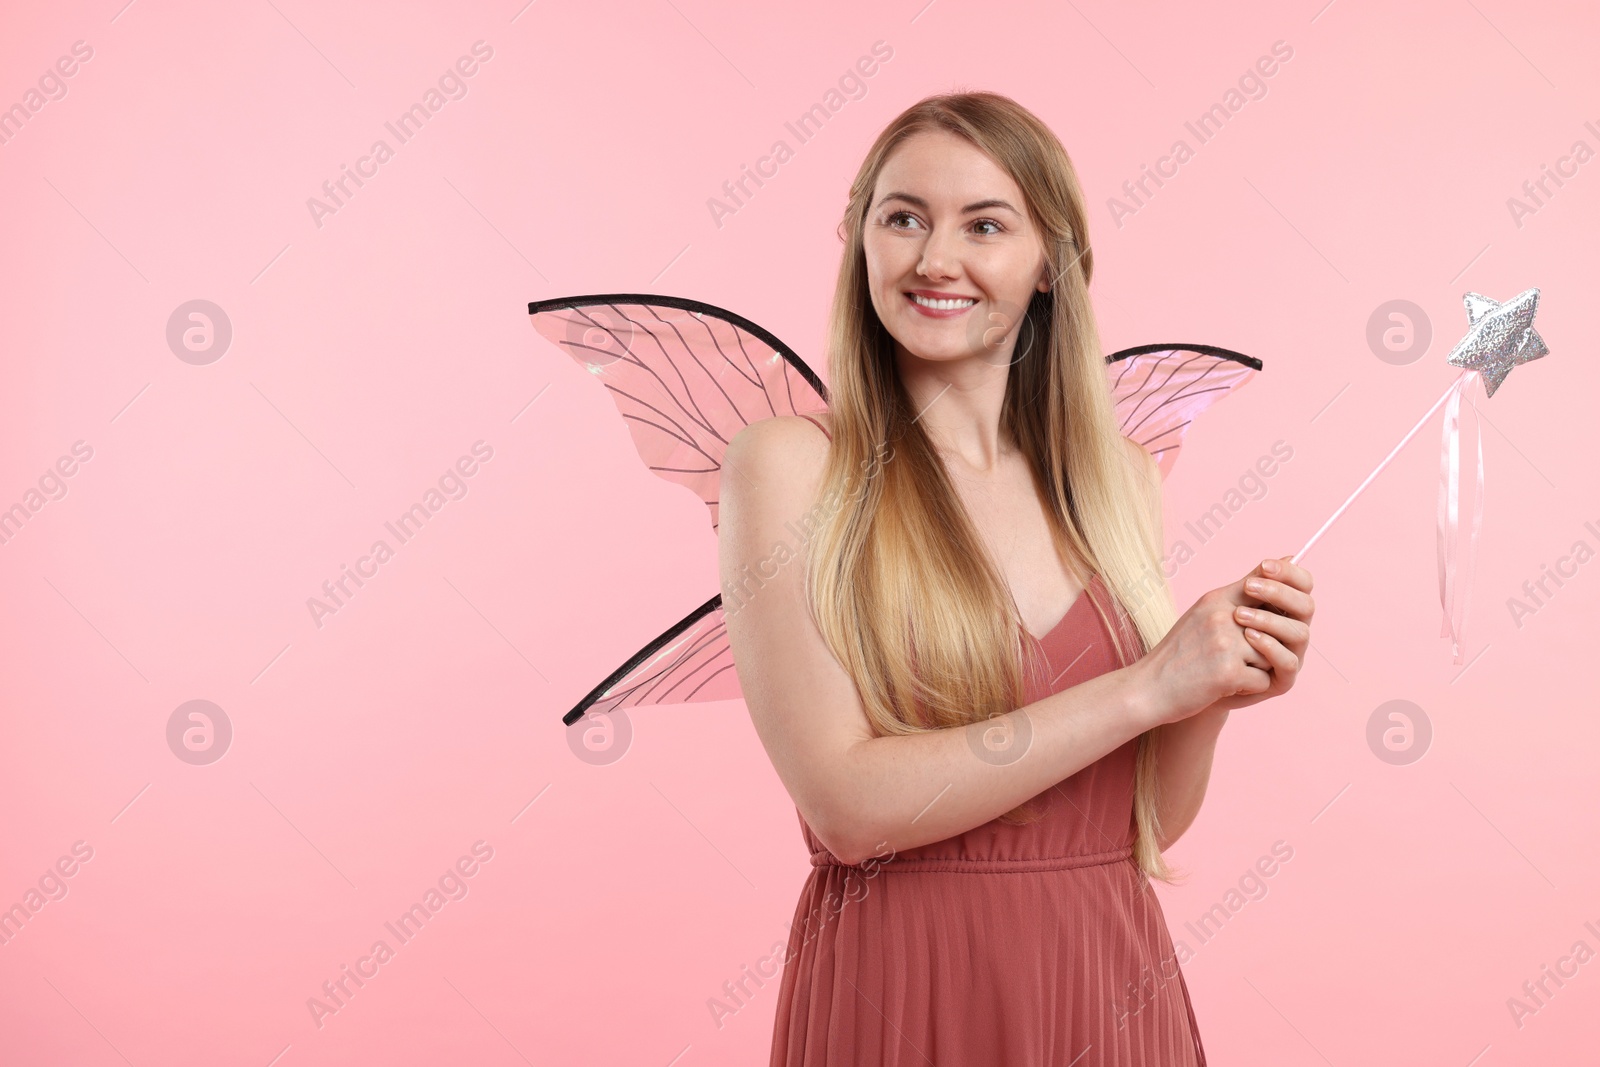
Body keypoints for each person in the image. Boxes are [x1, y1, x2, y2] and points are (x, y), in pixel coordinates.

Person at [719, 91, 1314, 1067]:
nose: (933, 258)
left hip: (1107, 977)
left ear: (1051, 265)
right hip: (903, 985)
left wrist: (1208, 692)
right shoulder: (791, 467)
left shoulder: (1115, 476)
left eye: (984, 225)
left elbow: (1140, 821)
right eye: (901, 216)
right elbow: (848, 805)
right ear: (859, 239)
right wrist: (1144, 686)